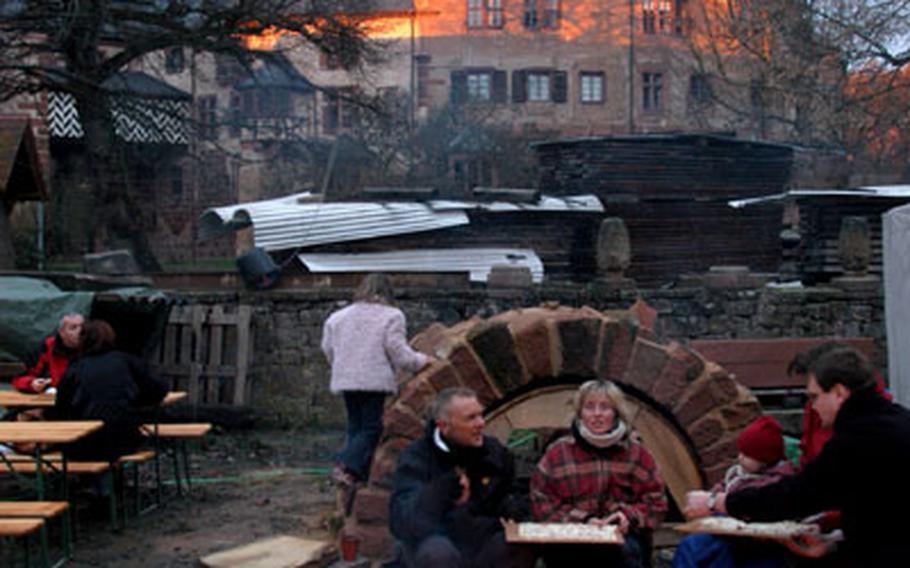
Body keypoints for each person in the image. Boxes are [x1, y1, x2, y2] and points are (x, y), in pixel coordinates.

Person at [684, 347, 910, 566]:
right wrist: (834, 542)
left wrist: (719, 502)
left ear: (839, 393)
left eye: (815, 397)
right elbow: (879, 511)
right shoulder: (897, 420)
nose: (813, 407)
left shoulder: (857, 438)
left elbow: (798, 495)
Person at [388, 387, 536, 568]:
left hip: (484, 540)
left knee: (516, 546)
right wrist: (441, 492)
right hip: (436, 541)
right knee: (437, 552)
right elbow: (402, 521)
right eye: (471, 418)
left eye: (481, 415)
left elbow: (515, 493)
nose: (481, 423)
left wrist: (514, 507)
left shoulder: (494, 453)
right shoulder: (417, 458)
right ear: (444, 426)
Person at [530, 380, 668, 568]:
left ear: (616, 413)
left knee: (625, 554)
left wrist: (627, 516)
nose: (597, 414)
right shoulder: (558, 453)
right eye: (589, 407)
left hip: (621, 539)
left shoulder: (637, 453)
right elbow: (541, 501)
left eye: (605, 407)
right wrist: (583, 520)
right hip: (570, 539)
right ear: (580, 413)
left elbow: (656, 502)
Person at [321, 273, 431, 485]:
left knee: (355, 426)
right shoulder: (392, 316)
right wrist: (421, 361)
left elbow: (327, 348)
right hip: (374, 380)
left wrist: (342, 366)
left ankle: (353, 475)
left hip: (346, 379)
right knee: (371, 428)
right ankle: (343, 464)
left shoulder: (338, 317)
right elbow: (397, 351)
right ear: (388, 292)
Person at [672, 416, 797, 568]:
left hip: (758, 539)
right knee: (692, 546)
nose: (740, 458)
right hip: (726, 531)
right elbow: (723, 487)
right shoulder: (738, 475)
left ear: (764, 459)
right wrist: (711, 498)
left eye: (747, 455)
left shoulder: (776, 481)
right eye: (741, 453)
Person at [49, 320, 167, 461]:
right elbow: (160, 389)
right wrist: (135, 401)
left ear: (83, 340)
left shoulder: (75, 367)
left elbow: (61, 409)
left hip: (83, 444)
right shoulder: (126, 361)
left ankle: (75, 482)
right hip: (124, 440)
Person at [11, 313, 84, 393]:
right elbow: (19, 379)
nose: (80, 331)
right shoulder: (45, 348)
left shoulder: (93, 348)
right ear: (61, 332)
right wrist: (32, 383)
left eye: (83, 327)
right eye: (73, 328)